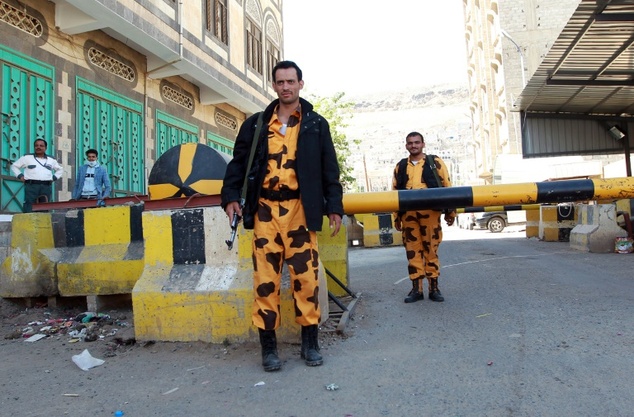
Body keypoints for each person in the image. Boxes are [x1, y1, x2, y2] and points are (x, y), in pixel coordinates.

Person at [221, 60, 344, 372]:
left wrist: (335, 207)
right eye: (280, 82)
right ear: (274, 86)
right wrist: (230, 197)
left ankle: (310, 343)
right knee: (265, 281)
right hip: (265, 212)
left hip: (301, 212)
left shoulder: (316, 124)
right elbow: (237, 164)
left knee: (306, 280)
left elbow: (330, 169)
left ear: (301, 84)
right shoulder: (255, 124)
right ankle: (269, 349)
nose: (286, 87)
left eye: (291, 81)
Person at [392, 131, 455, 303]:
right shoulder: (400, 166)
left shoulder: (434, 162)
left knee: (431, 250)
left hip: (430, 213)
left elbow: (447, 186)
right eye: (410, 143)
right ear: (406, 146)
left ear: (423, 144)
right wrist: (396, 216)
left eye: (417, 142)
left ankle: (434, 288)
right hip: (409, 215)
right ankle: (416, 289)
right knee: (412, 251)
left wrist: (451, 211)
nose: (414, 145)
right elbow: (395, 192)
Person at [10, 139, 64, 213]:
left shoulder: (51, 160)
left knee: (45, 206)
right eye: (36, 145)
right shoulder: (27, 158)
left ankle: (43, 223)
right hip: (31, 186)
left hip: (46, 186)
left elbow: (60, 169)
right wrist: (20, 176)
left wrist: (54, 178)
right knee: (29, 206)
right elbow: (14, 166)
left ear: (45, 148)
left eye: (41, 146)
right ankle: (28, 223)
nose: (38, 147)